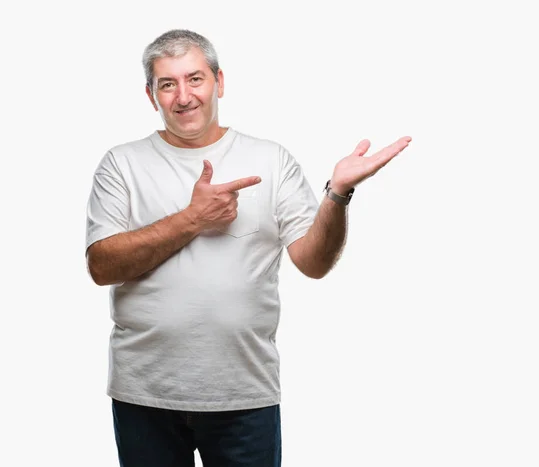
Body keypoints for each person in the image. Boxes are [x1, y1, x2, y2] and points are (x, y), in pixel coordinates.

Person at [85, 28, 411, 467]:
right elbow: (102, 266)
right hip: (145, 394)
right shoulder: (121, 164)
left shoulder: (270, 159)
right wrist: (192, 218)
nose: (184, 96)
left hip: (244, 393)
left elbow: (312, 262)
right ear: (151, 95)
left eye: (195, 79)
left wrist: (337, 194)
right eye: (168, 84)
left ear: (219, 82)